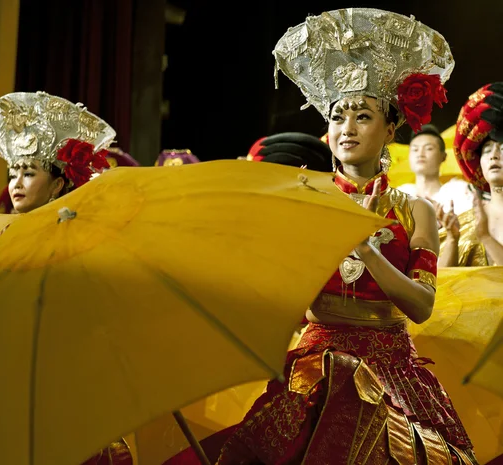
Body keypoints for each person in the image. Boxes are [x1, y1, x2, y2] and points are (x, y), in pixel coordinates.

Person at [167, 8, 476, 464]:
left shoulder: (416, 211)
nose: (347, 128)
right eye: (337, 117)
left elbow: (421, 306)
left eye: (363, 116)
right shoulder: (304, 206)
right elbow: (287, 305)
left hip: (392, 368)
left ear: (391, 128)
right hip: (314, 366)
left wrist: (365, 248)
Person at [0, 91, 133, 465]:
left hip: (62, 370)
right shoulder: (3, 236)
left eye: (29, 173)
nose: (16, 183)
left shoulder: (74, 235)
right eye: (12, 173)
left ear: (58, 184)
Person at [439, 83, 503, 267]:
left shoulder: (477, 224)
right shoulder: (465, 221)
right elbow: (440, 286)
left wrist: (485, 237)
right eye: (487, 150)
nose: (494, 156)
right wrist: (452, 239)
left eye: (502, 148)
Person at [398, 124, 473, 215]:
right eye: (415, 149)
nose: (420, 154)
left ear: (443, 156)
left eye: (429, 148)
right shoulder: (400, 195)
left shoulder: (459, 192)